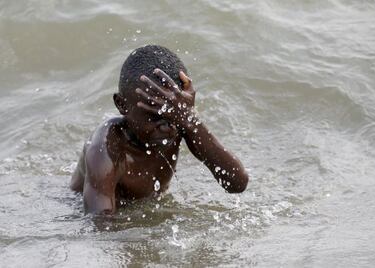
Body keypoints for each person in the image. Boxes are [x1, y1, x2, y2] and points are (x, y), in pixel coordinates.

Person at [70, 45, 249, 214]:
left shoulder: (179, 121)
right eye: (155, 117)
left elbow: (237, 183)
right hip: (77, 208)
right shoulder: (107, 149)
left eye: (173, 116)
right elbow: (100, 225)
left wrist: (189, 120)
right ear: (122, 105)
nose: (167, 126)